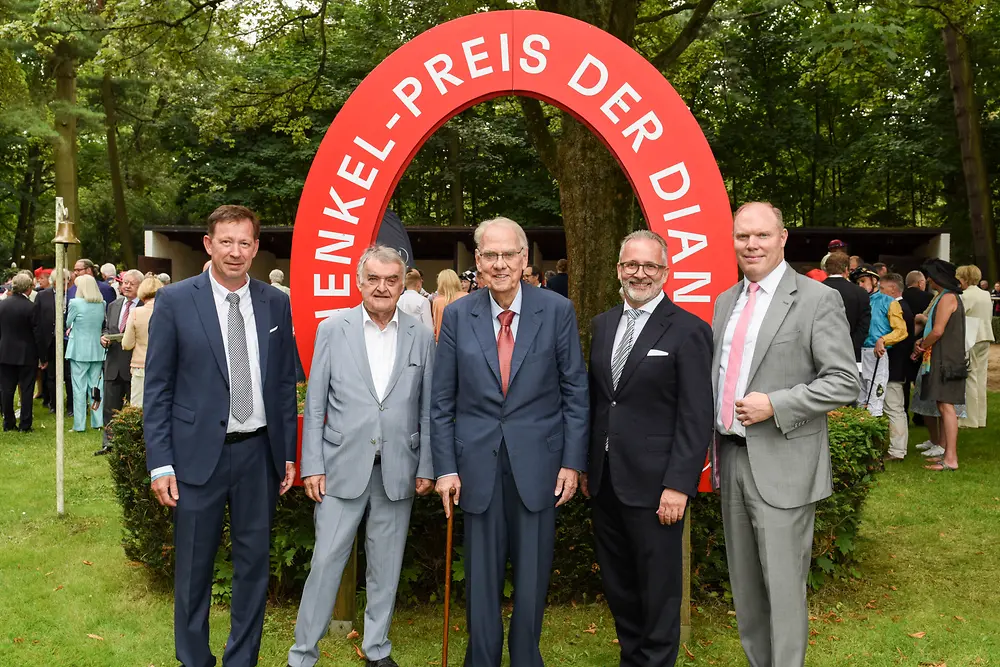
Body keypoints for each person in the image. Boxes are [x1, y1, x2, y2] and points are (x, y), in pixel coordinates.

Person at [143, 204, 297, 667]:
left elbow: (283, 383)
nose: (235, 251)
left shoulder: (275, 301)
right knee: (193, 568)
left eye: (244, 242)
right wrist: (161, 462)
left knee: (254, 566)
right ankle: (194, 659)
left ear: (255, 247)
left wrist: (287, 453)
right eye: (225, 241)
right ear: (209, 245)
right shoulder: (175, 301)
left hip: (258, 455)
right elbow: (158, 388)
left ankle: (241, 659)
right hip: (195, 458)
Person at [431, 217, 588, 667]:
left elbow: (575, 392)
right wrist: (444, 467)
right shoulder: (459, 313)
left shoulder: (556, 310)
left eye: (509, 255)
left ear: (524, 259)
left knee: (533, 576)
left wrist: (572, 463)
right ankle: (481, 659)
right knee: (480, 577)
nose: (500, 264)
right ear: (477, 261)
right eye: (490, 255)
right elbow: (442, 399)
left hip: (539, 464)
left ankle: (525, 658)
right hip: (475, 464)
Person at [712, 202, 858, 667]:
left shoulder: (817, 299)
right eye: (742, 236)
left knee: (782, 587)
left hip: (783, 465)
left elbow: (843, 381)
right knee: (747, 589)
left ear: (782, 238)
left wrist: (776, 403)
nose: (751, 244)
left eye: (761, 235)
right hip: (732, 459)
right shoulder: (725, 301)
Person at [289, 246, 435, 667]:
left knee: (386, 567)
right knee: (325, 563)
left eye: (391, 279)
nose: (382, 287)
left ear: (403, 281)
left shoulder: (420, 334)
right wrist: (311, 463)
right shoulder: (334, 329)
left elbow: (427, 408)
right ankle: (302, 654)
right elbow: (315, 404)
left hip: (398, 469)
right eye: (374, 279)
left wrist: (426, 465)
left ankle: (376, 649)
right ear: (359, 282)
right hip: (339, 467)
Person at [584, 230, 713, 667]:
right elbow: (601, 402)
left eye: (650, 266)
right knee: (620, 585)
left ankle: (656, 661)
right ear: (618, 269)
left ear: (666, 272)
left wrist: (679, 485)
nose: (639, 274)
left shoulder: (690, 330)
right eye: (630, 265)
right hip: (605, 482)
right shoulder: (602, 325)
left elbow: (696, 415)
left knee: (658, 590)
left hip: (658, 486)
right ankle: (631, 658)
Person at [910, 259, 965, 471]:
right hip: (943, 357)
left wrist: (920, 346)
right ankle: (946, 453)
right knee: (943, 406)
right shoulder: (945, 297)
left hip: (946, 359)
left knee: (947, 407)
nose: (929, 280)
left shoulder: (948, 298)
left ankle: (951, 459)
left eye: (931, 276)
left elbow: (938, 331)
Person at [95, 269, 143, 455]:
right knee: (110, 407)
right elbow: (107, 328)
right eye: (124, 282)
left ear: (140, 286)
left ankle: (132, 443)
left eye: (131, 283)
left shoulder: (145, 308)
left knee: (133, 408)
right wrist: (104, 337)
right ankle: (109, 443)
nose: (126, 286)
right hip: (113, 363)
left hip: (133, 363)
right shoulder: (114, 305)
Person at [850, 265, 907, 417]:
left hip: (876, 354)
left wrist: (883, 339)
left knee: (875, 398)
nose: (860, 285)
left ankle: (874, 435)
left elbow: (901, 330)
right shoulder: (857, 301)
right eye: (857, 283)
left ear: (875, 280)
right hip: (855, 353)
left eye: (863, 281)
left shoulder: (889, 302)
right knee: (859, 399)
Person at [880, 274, 916, 461]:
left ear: (893, 289)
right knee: (893, 407)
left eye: (883, 289)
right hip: (896, 365)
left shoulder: (899, 308)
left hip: (895, 366)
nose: (880, 292)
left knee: (894, 408)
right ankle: (896, 448)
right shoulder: (903, 307)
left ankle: (897, 450)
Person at [66, 274, 107, 432]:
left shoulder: (75, 303)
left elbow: (68, 322)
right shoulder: (102, 303)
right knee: (96, 386)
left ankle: (79, 424)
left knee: (78, 387)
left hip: (78, 350)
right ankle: (97, 422)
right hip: (96, 349)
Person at [0, 273, 39, 432]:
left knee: (6, 389)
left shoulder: (2, 305)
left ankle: (8, 422)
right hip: (26, 353)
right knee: (27, 389)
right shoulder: (31, 307)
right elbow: (37, 332)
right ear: (28, 288)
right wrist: (42, 356)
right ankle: (25, 423)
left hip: (5, 352)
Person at [956, 265, 993, 428]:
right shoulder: (985, 294)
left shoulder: (964, 295)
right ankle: (980, 417)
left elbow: (959, 316)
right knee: (980, 377)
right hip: (985, 335)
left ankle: (969, 419)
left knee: (969, 376)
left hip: (970, 336)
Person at [822, 252, 871, 365]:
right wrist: (852, 348)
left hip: (822, 353)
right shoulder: (860, 293)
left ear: (826, 269)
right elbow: (864, 326)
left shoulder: (814, 290)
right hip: (852, 354)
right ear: (847, 270)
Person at [121, 276, 162, 408]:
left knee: (138, 407)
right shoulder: (168, 311)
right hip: (163, 364)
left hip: (140, 364)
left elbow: (127, 344)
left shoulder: (135, 312)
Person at [33, 268, 56, 412]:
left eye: (42, 278)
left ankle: (54, 401)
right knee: (47, 372)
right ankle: (48, 399)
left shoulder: (69, 294)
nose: (40, 281)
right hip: (46, 339)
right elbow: (37, 319)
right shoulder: (41, 296)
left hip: (61, 340)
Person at [431, 269, 466, 343]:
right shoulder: (466, 297)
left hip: (444, 341)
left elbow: (437, 325)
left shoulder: (437, 301)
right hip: (464, 340)